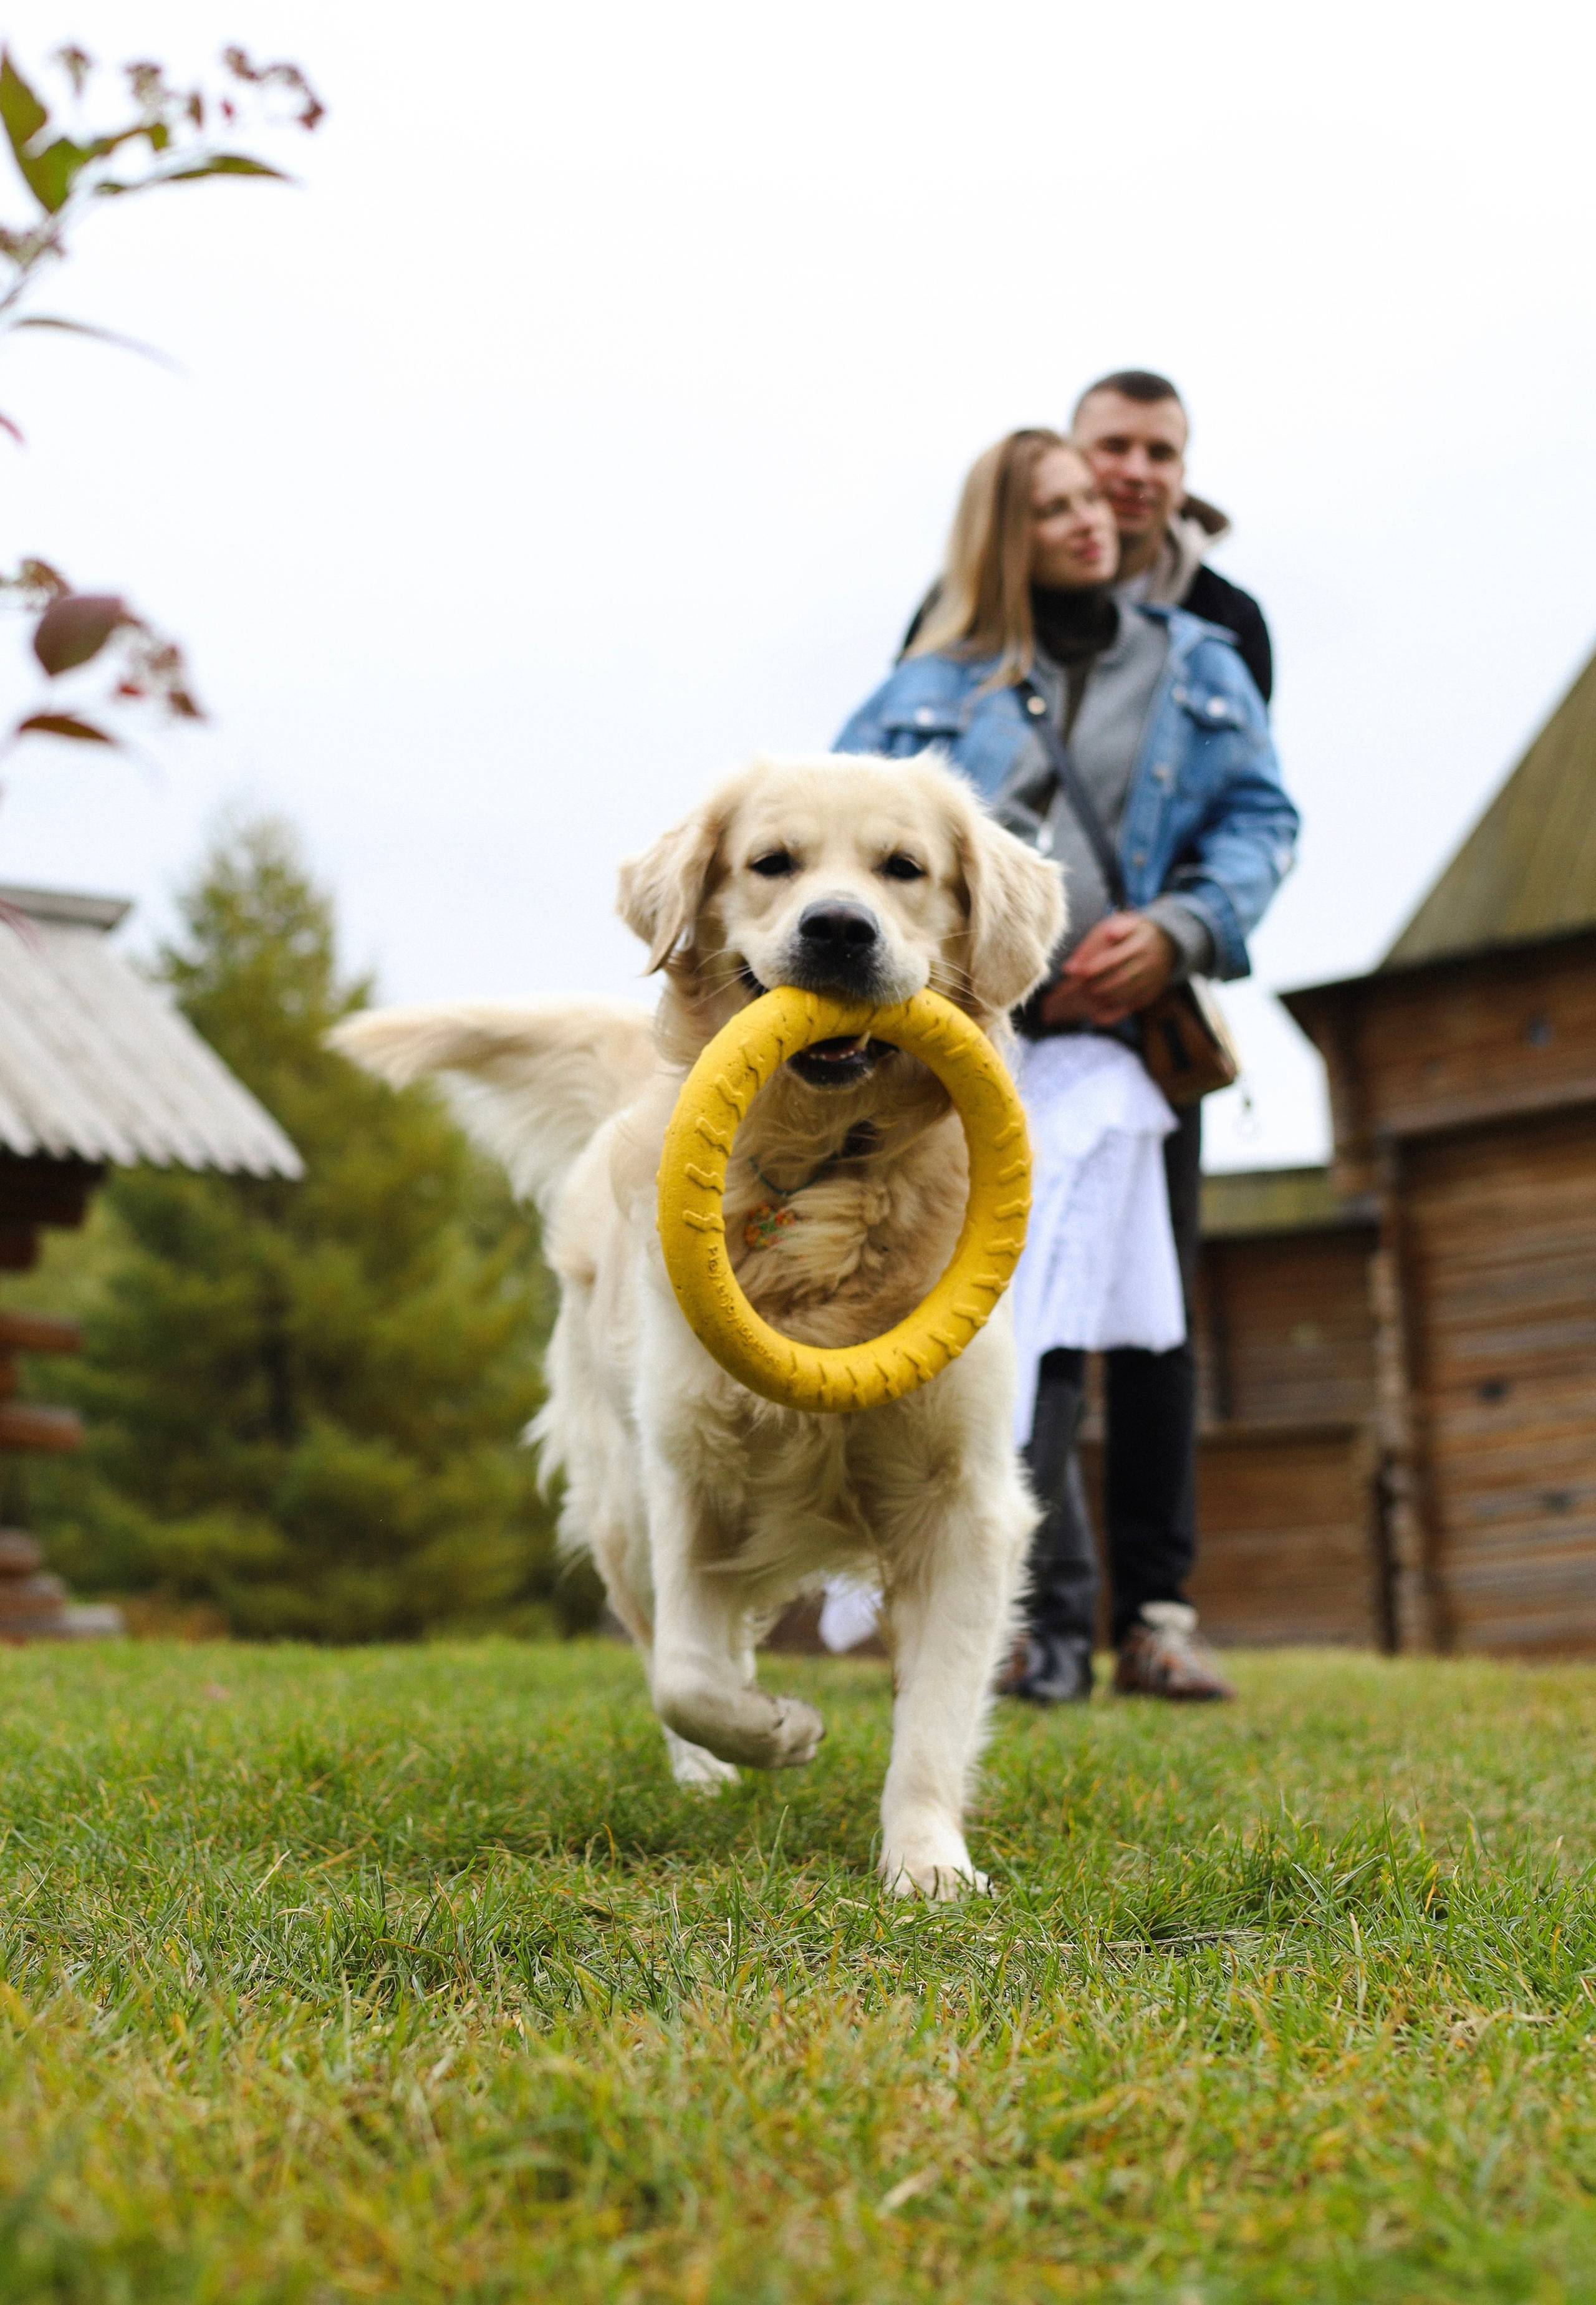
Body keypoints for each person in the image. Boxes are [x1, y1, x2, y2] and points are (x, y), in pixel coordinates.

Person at [835, 428, 1298, 1701]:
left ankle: (1115, 1617)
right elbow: (840, 819)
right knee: (1001, 1321)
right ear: (1005, 533)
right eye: (1054, 507)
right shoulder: (930, 681)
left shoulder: (1198, 659)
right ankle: (1028, 1618)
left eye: (1095, 497)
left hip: (1115, 1048)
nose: (1090, 518)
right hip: (971, 1045)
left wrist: (1175, 931)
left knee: (1111, 1322)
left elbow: (1262, 817)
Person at [902, 369, 1272, 708]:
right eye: (1114, 446)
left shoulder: (1228, 623)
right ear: (1068, 456)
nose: (1136, 472)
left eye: (1161, 454)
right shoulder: (961, 604)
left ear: (1182, 476)